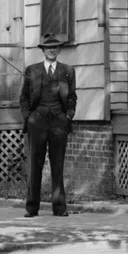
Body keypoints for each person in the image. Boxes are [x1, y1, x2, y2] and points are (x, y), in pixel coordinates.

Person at [19, 34, 76, 217]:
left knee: (57, 164)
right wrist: (29, 117)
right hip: (38, 122)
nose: (52, 50)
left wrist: (68, 116)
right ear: (42, 50)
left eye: (55, 47)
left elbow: (72, 97)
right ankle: (32, 208)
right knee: (35, 164)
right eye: (48, 47)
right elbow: (24, 98)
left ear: (59, 50)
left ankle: (59, 208)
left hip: (59, 122)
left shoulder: (68, 70)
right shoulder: (31, 71)